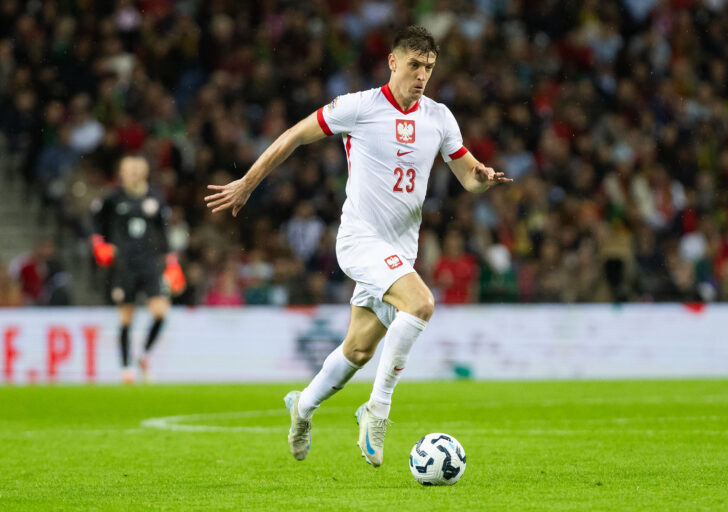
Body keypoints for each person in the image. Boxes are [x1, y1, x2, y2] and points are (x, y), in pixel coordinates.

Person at [204, 26, 511, 467]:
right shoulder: (359, 107)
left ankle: (302, 407)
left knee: (358, 351)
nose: (422, 75)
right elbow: (294, 134)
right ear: (392, 61)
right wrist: (248, 184)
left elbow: (468, 176)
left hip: (400, 252)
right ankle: (377, 409)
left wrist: (483, 180)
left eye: (429, 67)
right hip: (359, 240)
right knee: (421, 304)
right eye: (414, 65)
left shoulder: (440, 117)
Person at [91, 155, 185, 383]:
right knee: (126, 317)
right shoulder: (113, 199)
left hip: (150, 263)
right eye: (128, 169)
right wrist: (98, 245)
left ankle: (143, 354)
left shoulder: (155, 197)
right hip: (124, 265)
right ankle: (126, 370)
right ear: (121, 173)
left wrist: (172, 261)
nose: (132, 172)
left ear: (144, 172)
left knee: (161, 312)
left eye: (137, 168)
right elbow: (96, 225)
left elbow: (163, 231)